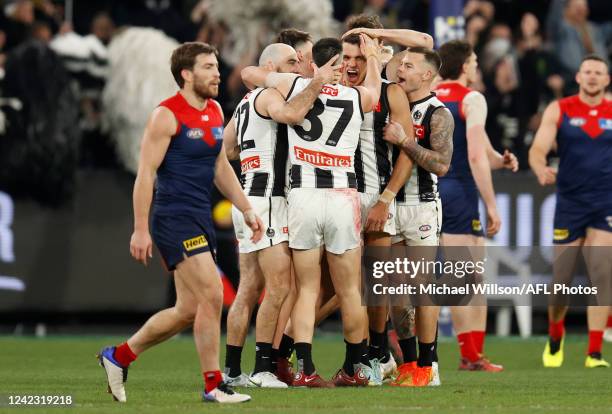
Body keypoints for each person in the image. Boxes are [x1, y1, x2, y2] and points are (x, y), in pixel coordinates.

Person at [97, 42, 261, 404]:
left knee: (188, 309)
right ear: (186, 75)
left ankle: (118, 357)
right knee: (214, 292)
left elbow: (220, 168)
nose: (217, 73)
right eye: (207, 67)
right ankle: (213, 384)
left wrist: (247, 209)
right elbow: (145, 175)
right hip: (173, 217)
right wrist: (140, 228)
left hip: (200, 216)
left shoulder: (216, 110)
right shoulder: (166, 115)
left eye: (216, 66)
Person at [254, 35, 382, 387]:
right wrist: (372, 59)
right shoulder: (356, 96)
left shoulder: (296, 84)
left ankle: (305, 369)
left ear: (315, 63)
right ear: (343, 67)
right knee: (350, 291)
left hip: (306, 195)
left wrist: (311, 79)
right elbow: (375, 90)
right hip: (343, 196)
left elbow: (254, 76)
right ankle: (354, 369)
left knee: (307, 289)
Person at [222, 43, 337, 388]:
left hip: (247, 196)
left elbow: (228, 147)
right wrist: (318, 83)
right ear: (269, 65)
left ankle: (231, 370)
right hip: (269, 199)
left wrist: (254, 156)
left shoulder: (244, 104)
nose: (296, 66)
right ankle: (262, 369)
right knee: (280, 286)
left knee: (248, 289)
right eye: (290, 61)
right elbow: (291, 116)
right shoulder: (270, 93)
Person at [340, 14, 434, 384]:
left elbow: (408, 154)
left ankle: (378, 355)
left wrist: (385, 199)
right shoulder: (333, 84)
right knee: (336, 286)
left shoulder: (391, 92)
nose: (352, 64)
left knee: (376, 283)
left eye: (361, 57)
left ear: (377, 52)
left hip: (377, 197)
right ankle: (289, 357)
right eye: (351, 56)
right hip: (335, 197)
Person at [434, 40, 518, 372]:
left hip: (433, 186)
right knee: (465, 278)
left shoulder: (430, 95)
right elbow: (473, 155)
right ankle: (470, 356)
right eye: (475, 60)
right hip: (460, 190)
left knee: (466, 275)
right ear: (465, 66)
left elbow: (482, 151)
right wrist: (492, 206)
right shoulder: (472, 98)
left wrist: (501, 160)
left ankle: (473, 354)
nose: (477, 66)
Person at [529, 54, 612, 368]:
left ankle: (594, 352)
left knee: (602, 272)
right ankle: (555, 337)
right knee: (561, 280)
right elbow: (538, 149)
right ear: (578, 77)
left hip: (605, 201)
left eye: (598, 73)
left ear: (606, 79)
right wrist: (539, 168)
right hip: (570, 201)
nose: (592, 77)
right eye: (587, 71)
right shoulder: (560, 108)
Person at [382, 47, 453, 386]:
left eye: (409, 65)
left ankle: (429, 364)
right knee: (396, 292)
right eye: (400, 64)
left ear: (427, 75)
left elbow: (441, 164)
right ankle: (409, 362)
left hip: (422, 206)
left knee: (422, 288)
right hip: (389, 206)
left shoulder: (437, 113)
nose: (401, 69)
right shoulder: (387, 104)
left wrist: (405, 141)